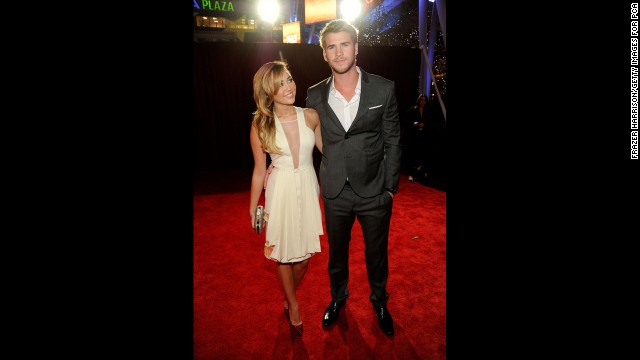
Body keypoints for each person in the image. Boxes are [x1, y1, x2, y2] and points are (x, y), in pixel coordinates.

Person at [306, 19, 402, 336]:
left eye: (344, 44)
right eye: (331, 46)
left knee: (377, 254)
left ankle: (379, 301)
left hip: (375, 190)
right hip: (335, 192)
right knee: (337, 255)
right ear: (324, 54)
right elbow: (308, 137)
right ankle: (338, 298)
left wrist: (389, 188)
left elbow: (393, 140)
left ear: (356, 47)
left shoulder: (383, 88)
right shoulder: (314, 95)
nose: (339, 52)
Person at [249, 60, 324, 336]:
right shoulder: (260, 125)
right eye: (280, 83)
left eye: (290, 79)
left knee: (303, 258)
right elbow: (259, 171)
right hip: (279, 191)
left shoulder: (311, 116)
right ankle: (292, 303)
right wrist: (252, 207)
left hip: (307, 185)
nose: (288, 87)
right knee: (283, 254)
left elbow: (328, 152)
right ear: (268, 91)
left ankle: (289, 294)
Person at [403, 93, 429, 182]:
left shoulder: (428, 111)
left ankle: (420, 173)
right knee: (413, 155)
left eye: (425, 100)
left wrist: (425, 124)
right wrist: (414, 123)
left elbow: (432, 123)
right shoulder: (412, 110)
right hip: (414, 137)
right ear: (418, 100)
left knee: (422, 156)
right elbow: (405, 121)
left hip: (424, 137)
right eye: (421, 100)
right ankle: (411, 173)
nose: (423, 102)